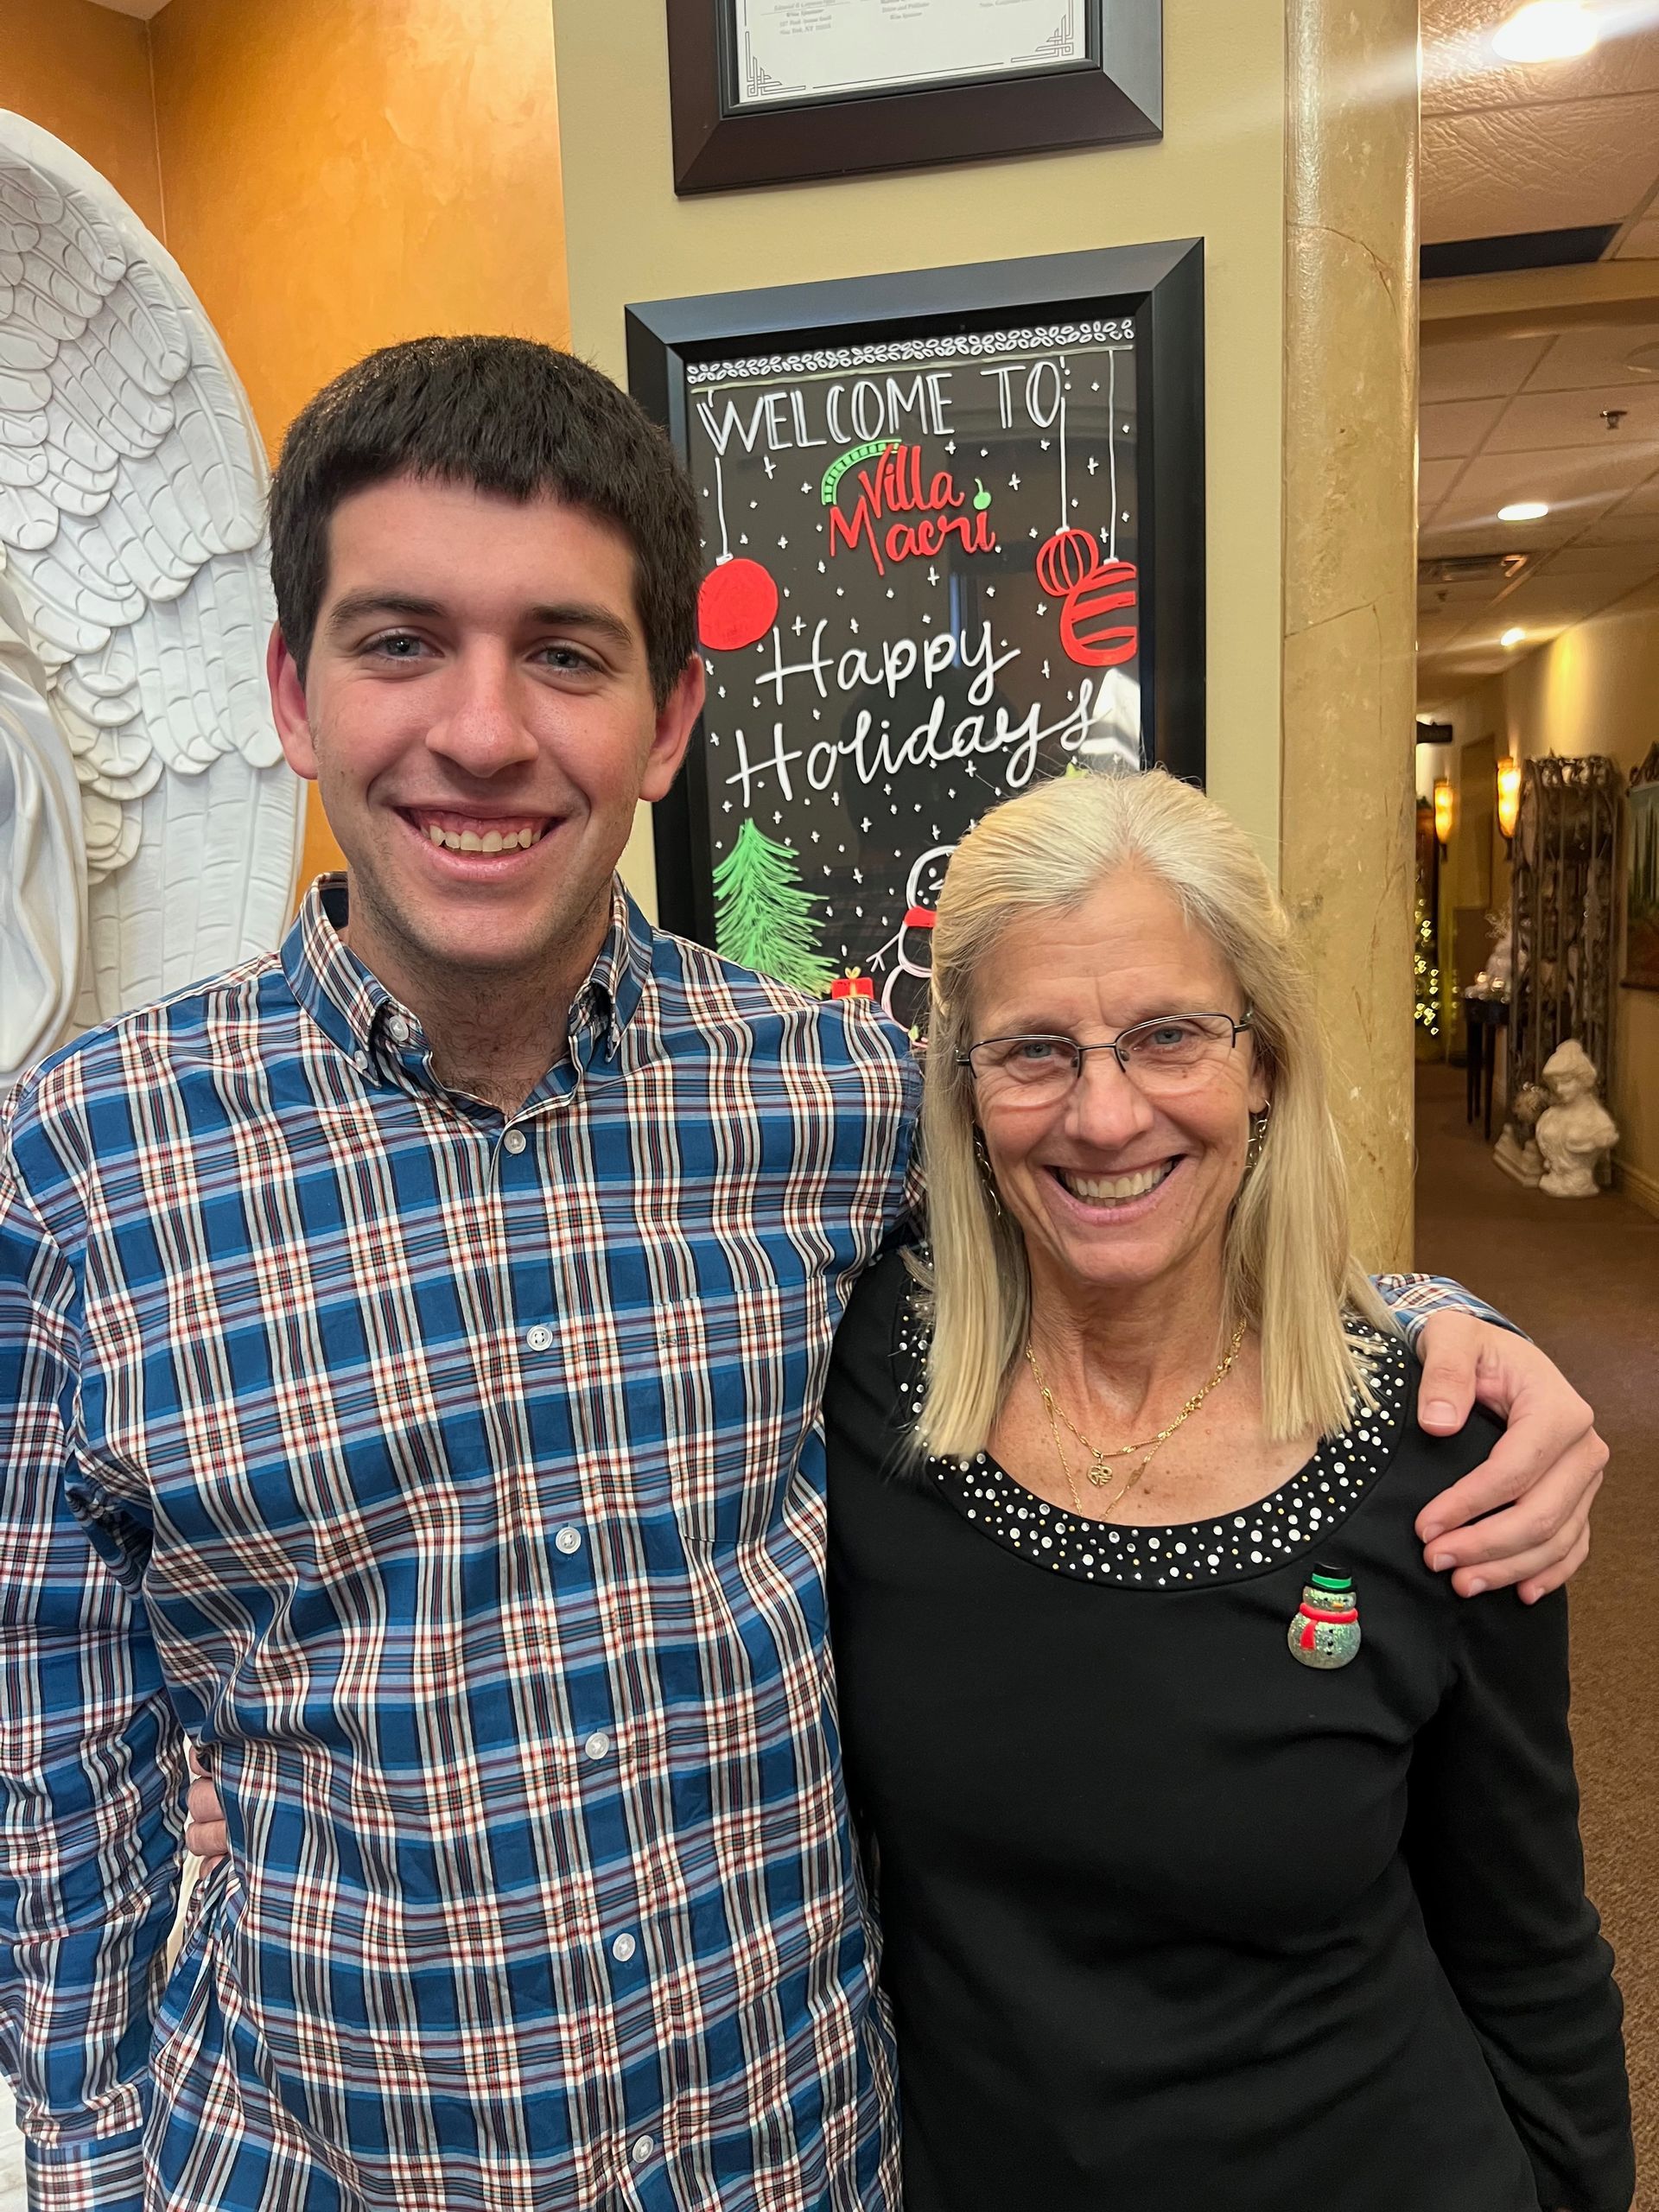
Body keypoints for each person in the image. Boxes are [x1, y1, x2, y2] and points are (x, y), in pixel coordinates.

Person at [0, 337, 1606, 2212]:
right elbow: (55, 1805)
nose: (487, 730)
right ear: (290, 685)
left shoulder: (830, 1097)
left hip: (798, 2160)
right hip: (333, 2165)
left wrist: (1447, 1330)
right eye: (401, 639)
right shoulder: (75, 1180)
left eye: (568, 653)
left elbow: (1135, 1215)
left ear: (670, 719)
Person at [823, 769, 1633, 2212]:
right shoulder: (871, 1381)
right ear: (962, 1089)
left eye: (1169, 1036)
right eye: (1034, 1052)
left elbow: (1526, 1939)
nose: (1106, 1112)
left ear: (1263, 1059)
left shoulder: (1447, 1450)